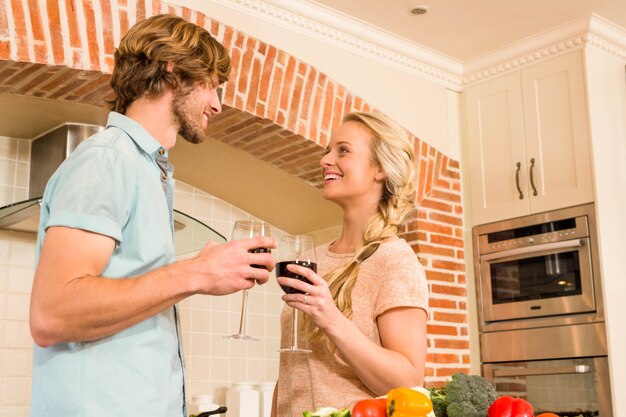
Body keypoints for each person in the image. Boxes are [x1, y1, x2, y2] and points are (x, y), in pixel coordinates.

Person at [28, 14, 275, 417]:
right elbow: (51, 313)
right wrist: (196, 274)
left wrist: (197, 268)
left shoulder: (145, 169)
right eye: (213, 84)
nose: (218, 103)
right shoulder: (107, 160)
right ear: (174, 70)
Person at [272, 112, 429, 416]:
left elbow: (409, 383)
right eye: (327, 151)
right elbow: (293, 370)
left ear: (380, 169)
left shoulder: (394, 261)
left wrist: (331, 319)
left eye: (342, 150)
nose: (325, 160)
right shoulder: (313, 258)